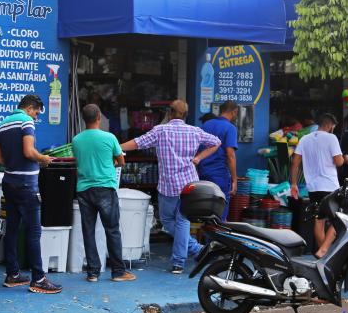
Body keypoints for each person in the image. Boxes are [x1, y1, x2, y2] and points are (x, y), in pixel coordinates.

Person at [120, 100, 220, 274]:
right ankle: (195, 251)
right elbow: (216, 142)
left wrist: (116, 148)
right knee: (182, 221)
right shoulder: (194, 131)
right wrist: (198, 158)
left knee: (168, 221)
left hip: (168, 185)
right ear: (185, 115)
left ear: (170, 113)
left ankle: (181, 260)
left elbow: (138, 143)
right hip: (190, 184)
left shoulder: (161, 130)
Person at [0, 94, 62, 294]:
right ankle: (38, 278)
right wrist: (43, 159)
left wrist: (12, 165)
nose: (36, 117)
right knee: (33, 231)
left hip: (9, 182)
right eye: (37, 113)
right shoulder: (26, 122)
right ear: (31, 108)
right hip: (26, 184)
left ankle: (12, 274)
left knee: (12, 229)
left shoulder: (2, 124)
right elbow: (29, 151)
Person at [72, 104, 136, 283]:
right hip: (106, 188)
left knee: (88, 231)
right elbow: (121, 161)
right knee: (112, 230)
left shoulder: (76, 140)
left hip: (84, 189)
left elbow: (79, 163)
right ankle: (118, 272)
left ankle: (93, 272)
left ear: (85, 119)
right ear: (99, 117)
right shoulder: (109, 137)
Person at [290, 113, 344, 258]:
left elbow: (295, 163)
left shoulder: (305, 139)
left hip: (313, 188)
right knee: (339, 220)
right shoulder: (332, 138)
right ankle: (325, 249)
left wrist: (293, 184)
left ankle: (324, 255)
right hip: (330, 187)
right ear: (329, 125)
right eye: (333, 126)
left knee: (319, 221)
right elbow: (339, 162)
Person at [199, 101, 240, 220]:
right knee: (219, 214)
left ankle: (206, 238)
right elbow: (230, 155)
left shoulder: (206, 125)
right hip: (219, 175)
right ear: (234, 112)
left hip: (203, 174)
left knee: (205, 212)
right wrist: (234, 179)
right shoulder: (230, 128)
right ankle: (216, 238)